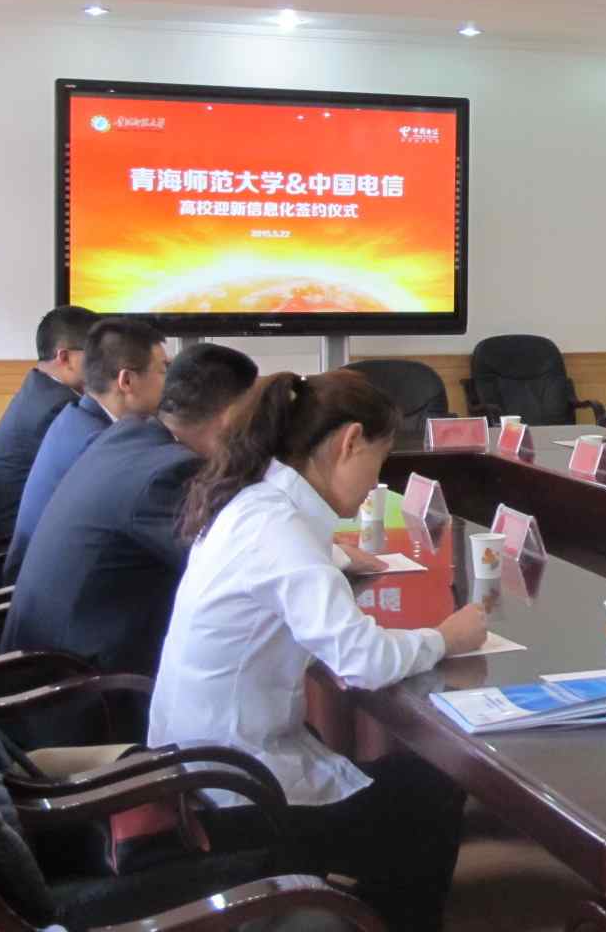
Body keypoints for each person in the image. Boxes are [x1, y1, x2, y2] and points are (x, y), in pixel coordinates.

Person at [149, 369, 486, 932]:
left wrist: (335, 560)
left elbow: (280, 577)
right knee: (430, 793)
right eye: (378, 462)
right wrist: (445, 638)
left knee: (395, 777)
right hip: (236, 793)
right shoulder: (279, 529)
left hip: (196, 768)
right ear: (350, 442)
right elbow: (363, 660)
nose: (375, 484)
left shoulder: (254, 502)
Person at [2, 344, 259, 679]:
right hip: (77, 686)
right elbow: (234, 570)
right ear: (232, 417)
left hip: (41, 659)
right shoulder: (167, 473)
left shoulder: (128, 436)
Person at [4, 317, 168, 583]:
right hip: (47, 585)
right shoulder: (99, 443)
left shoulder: (77, 415)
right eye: (163, 370)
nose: (170, 382)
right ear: (126, 381)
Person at [0, 305, 96, 544]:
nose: (105, 364)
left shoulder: (39, 387)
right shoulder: (59, 408)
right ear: (64, 358)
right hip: (13, 540)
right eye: (97, 355)